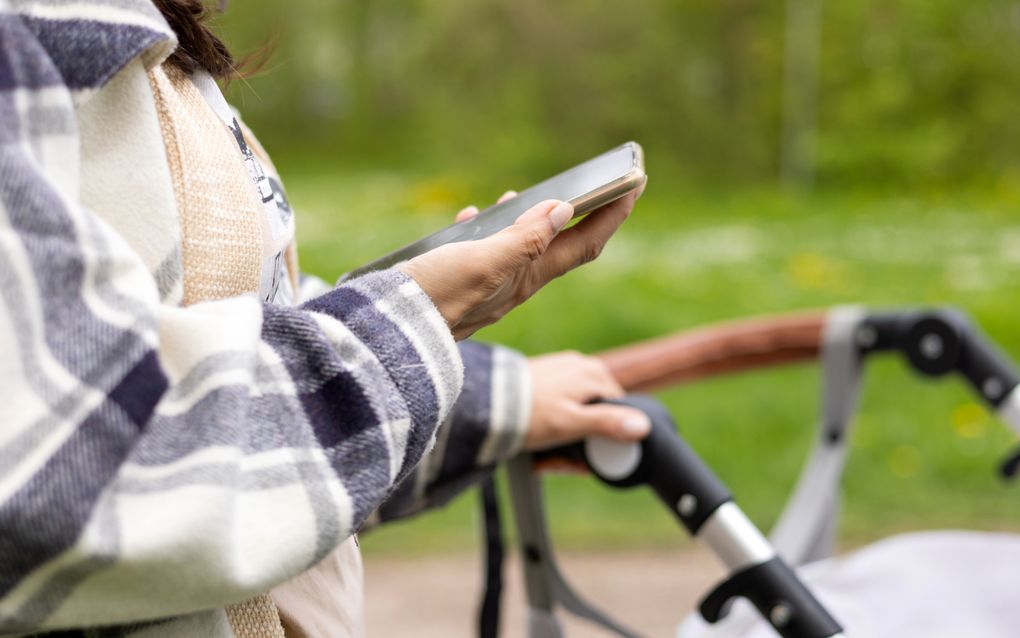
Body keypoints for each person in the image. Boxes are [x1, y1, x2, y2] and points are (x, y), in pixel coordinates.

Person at [0, 0, 649, 635]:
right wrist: (416, 319)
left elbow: (221, 338)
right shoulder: (34, 37)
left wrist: (491, 398)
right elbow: (63, 476)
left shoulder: (156, 56)